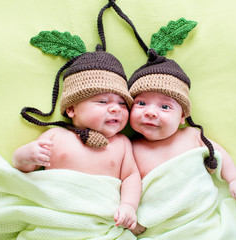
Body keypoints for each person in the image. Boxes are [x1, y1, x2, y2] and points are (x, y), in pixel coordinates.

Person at [127, 49, 236, 239]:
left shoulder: (191, 135)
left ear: (181, 117)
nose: (151, 112)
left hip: (202, 221)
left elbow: (219, 153)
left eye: (164, 106)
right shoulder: (130, 147)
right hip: (163, 227)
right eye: (141, 104)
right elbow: (126, 185)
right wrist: (131, 215)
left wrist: (234, 179)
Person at [13, 49, 142, 231]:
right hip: (55, 218)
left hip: (100, 223)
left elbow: (131, 177)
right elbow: (22, 169)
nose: (116, 109)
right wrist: (25, 156)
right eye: (103, 102)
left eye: (122, 103)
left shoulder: (121, 143)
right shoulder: (56, 135)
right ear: (71, 109)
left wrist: (129, 206)